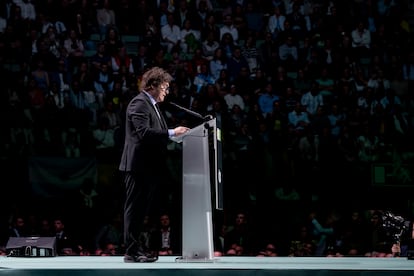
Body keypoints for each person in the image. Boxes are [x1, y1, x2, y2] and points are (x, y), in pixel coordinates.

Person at [118, 67, 190, 263]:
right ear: (154, 85)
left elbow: (157, 134)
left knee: (141, 211)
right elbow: (144, 133)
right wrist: (173, 133)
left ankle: (136, 248)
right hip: (137, 166)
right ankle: (131, 251)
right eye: (165, 88)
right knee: (134, 209)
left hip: (148, 167)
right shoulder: (139, 103)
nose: (167, 92)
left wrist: (176, 137)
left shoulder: (154, 106)